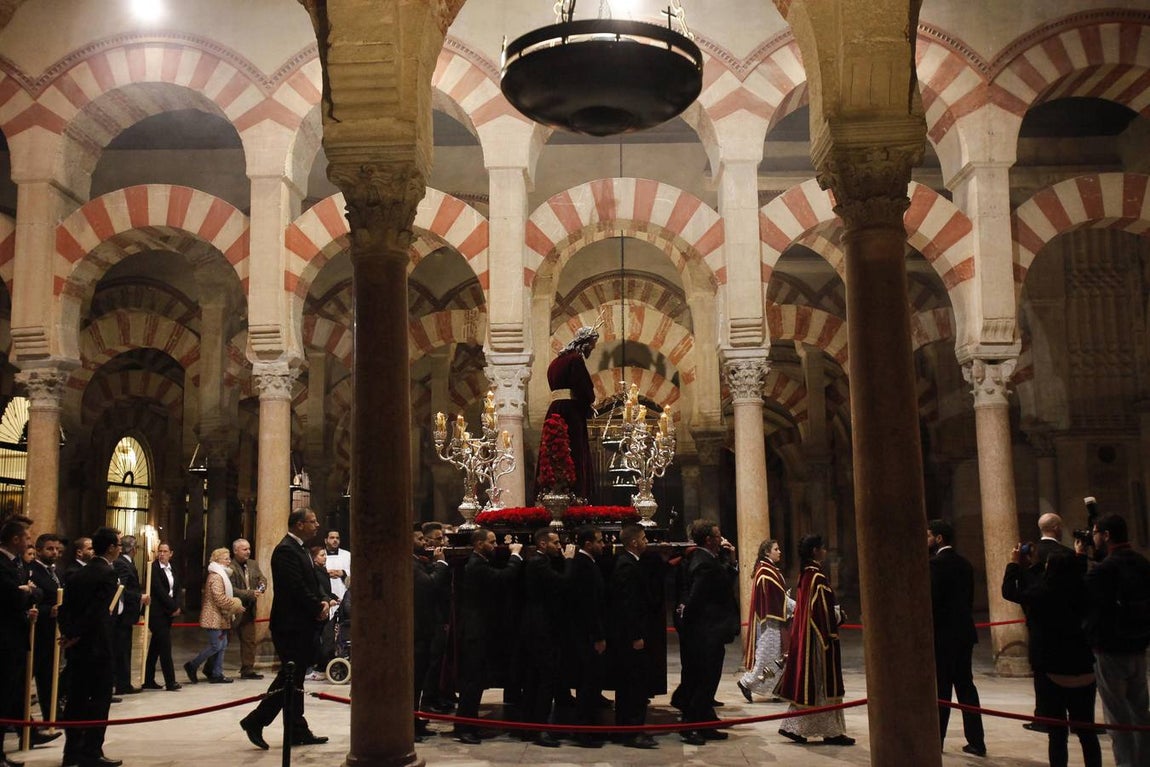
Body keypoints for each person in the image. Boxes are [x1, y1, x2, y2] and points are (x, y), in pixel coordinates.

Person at [240, 508, 331, 750]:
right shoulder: (285, 550)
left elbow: (314, 581)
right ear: (299, 524)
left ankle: (296, 730)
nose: (317, 524)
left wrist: (322, 600)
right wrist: (316, 606)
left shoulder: (299, 548)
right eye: (312, 521)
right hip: (290, 626)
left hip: (301, 624)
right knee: (289, 678)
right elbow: (295, 587)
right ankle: (255, 720)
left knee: (296, 679)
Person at [1003, 548, 1101, 767]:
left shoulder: (1042, 593)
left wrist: (1014, 564)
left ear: (1050, 569)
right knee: (1087, 732)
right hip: (1082, 665)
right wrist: (1080, 557)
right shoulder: (1083, 592)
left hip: (1052, 667)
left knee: (1057, 734)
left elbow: (1010, 591)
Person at [1084, 513, 1150, 767]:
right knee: (1140, 712)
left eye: (1096, 533)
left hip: (1110, 649)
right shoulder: (1142, 563)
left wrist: (1084, 559)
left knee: (1117, 716)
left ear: (1107, 535)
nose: (1093, 537)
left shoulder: (1105, 569)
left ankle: (1125, 763)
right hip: (1138, 646)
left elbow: (1084, 597)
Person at [775, 533, 854, 746]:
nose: (825, 551)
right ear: (814, 551)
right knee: (820, 685)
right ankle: (830, 732)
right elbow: (821, 611)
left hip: (807, 637)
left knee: (811, 685)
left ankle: (796, 728)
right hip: (819, 640)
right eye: (822, 547)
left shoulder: (806, 574)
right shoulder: (817, 576)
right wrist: (839, 616)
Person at [58, 526, 123, 767]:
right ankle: (91, 752)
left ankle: (71, 752)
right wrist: (76, 634)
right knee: (98, 700)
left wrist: (68, 634)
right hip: (96, 646)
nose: (119, 549)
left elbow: (65, 608)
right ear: (111, 548)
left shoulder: (78, 574)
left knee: (76, 700)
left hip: (78, 647)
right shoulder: (107, 573)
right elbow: (96, 612)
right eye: (118, 544)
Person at [451, 528, 523, 744]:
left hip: (480, 630)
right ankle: (464, 727)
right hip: (475, 632)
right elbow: (502, 578)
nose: (495, 545)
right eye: (491, 542)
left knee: (477, 681)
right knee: (471, 682)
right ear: (479, 543)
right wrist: (515, 556)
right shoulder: (476, 565)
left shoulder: (480, 562)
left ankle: (469, 724)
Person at [677, 518, 739, 746]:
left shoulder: (708, 558)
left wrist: (730, 560)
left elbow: (722, 580)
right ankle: (690, 727)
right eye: (717, 536)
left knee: (708, 679)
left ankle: (705, 723)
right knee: (703, 681)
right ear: (708, 540)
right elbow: (696, 598)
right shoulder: (702, 562)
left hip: (710, 631)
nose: (721, 540)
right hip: (705, 632)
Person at [928, 519, 986, 757]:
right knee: (966, 687)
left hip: (943, 636)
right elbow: (969, 600)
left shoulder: (935, 565)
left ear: (939, 538)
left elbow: (932, 602)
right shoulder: (965, 564)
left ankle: (936, 742)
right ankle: (976, 742)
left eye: (929, 535)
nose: (926, 540)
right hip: (963, 634)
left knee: (941, 689)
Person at [518, 528, 574, 747]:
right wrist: (569, 561)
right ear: (542, 544)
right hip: (540, 628)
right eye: (555, 543)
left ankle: (528, 727)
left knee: (535, 678)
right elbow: (562, 583)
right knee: (544, 680)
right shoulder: (539, 563)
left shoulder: (539, 561)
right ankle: (539, 727)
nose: (559, 546)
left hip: (537, 625)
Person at [609, 523, 660, 749]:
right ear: (634, 542)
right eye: (644, 538)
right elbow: (628, 606)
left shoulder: (631, 563)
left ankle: (629, 729)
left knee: (632, 685)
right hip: (631, 639)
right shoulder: (627, 566)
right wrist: (636, 635)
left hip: (631, 636)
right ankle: (631, 730)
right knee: (633, 685)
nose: (646, 542)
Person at [536, 325, 598, 501]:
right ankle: (575, 496)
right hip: (571, 413)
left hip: (554, 410)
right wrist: (589, 403)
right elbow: (584, 390)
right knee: (574, 451)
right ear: (585, 342)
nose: (593, 347)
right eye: (593, 343)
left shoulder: (555, 363)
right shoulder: (575, 360)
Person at [1, 515, 38, 767]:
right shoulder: (2, 564)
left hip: (14, 637)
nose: (29, 541)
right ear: (15, 539)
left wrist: (25, 593)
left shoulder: (15, 564)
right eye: (26, 537)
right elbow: (11, 597)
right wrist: (25, 592)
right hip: (4, 639)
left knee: (9, 695)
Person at [739, 538, 793, 703]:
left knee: (779, 656)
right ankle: (746, 683)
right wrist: (796, 606)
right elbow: (777, 598)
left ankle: (777, 689)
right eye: (776, 549)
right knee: (766, 656)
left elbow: (779, 595)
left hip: (775, 620)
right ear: (767, 552)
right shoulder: (766, 572)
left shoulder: (769, 569)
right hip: (769, 622)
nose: (779, 552)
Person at [413, 534, 450, 741]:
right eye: (419, 538)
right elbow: (429, 585)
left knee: (419, 679)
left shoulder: (418, 562)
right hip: (417, 631)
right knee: (414, 680)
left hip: (424, 629)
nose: (424, 541)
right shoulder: (410, 564)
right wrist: (442, 563)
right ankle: (408, 723)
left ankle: (415, 719)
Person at [185, 547, 241, 684]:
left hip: (220, 616)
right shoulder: (216, 576)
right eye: (226, 558)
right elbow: (219, 598)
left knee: (223, 643)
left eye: (229, 558)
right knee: (216, 645)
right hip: (213, 616)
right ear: (218, 560)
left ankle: (216, 672)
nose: (229, 561)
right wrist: (235, 605)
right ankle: (192, 665)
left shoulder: (222, 574)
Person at [29, 533, 68, 726]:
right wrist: (47, 611)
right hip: (37, 631)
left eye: (56, 549)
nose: (54, 553)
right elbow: (30, 602)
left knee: (49, 675)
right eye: (49, 549)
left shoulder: (57, 572)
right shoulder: (32, 571)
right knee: (34, 674)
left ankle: (52, 713)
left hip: (54, 632)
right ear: (38, 550)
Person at [112, 535, 149, 695]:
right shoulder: (122, 564)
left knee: (125, 648)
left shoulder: (126, 562)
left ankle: (123, 682)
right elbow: (121, 589)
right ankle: (122, 684)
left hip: (127, 614)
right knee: (121, 649)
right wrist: (139, 597)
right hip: (123, 614)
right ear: (134, 549)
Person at [143, 542, 181, 691]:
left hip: (169, 613)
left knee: (155, 647)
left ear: (171, 553)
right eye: (160, 551)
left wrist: (178, 607)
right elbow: (158, 590)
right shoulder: (153, 568)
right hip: (157, 613)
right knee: (165, 646)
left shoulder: (173, 568)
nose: (162, 554)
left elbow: (177, 588)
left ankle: (148, 679)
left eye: (165, 551)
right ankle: (170, 681)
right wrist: (173, 607)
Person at [227, 538, 266, 680]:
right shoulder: (230, 566)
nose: (248, 552)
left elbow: (262, 579)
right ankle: (210, 667)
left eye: (249, 549)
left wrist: (261, 587)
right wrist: (250, 593)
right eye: (244, 549)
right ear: (235, 551)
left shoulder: (253, 564)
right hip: (234, 609)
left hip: (249, 609)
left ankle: (248, 669)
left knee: (249, 640)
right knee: (223, 641)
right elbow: (231, 589)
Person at [323, 529, 350, 605]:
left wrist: (343, 572)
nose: (335, 540)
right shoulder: (321, 555)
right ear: (326, 540)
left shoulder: (347, 555)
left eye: (337, 538)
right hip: (327, 596)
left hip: (343, 591)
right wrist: (325, 573)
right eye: (332, 538)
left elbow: (355, 572)